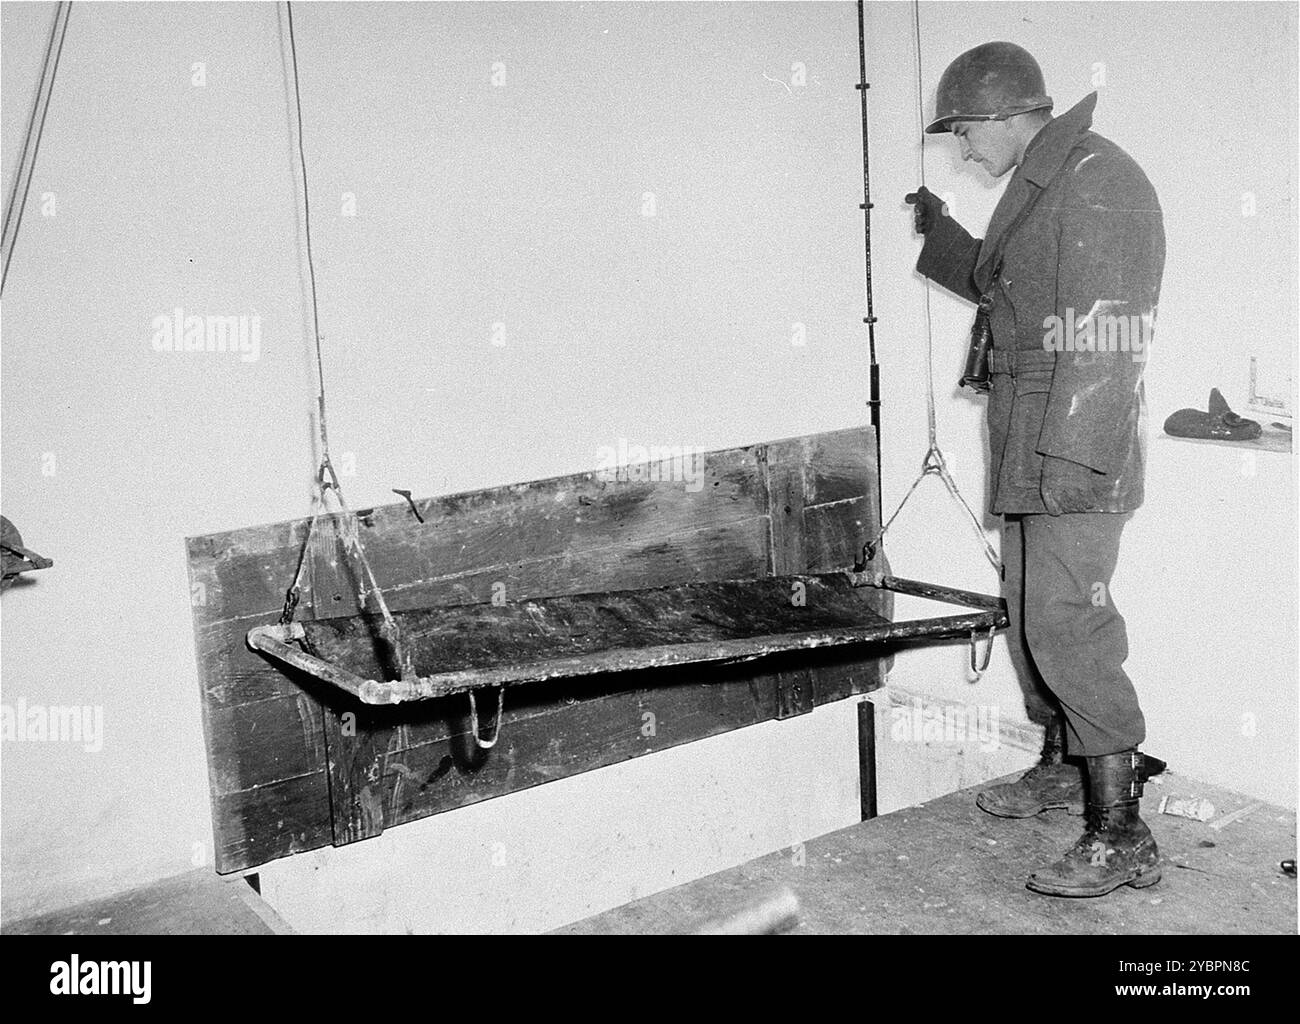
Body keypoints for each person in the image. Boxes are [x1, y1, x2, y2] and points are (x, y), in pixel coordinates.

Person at [905, 42, 1166, 897]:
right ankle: (1063, 762)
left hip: (1071, 446)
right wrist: (941, 233)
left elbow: (1109, 331)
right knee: (1028, 614)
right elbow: (1005, 284)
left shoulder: (1096, 179)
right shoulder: (1048, 178)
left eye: (967, 136)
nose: (966, 153)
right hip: (1032, 437)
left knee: (1068, 623)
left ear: (1008, 116)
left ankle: (1120, 831)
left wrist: (1070, 464)